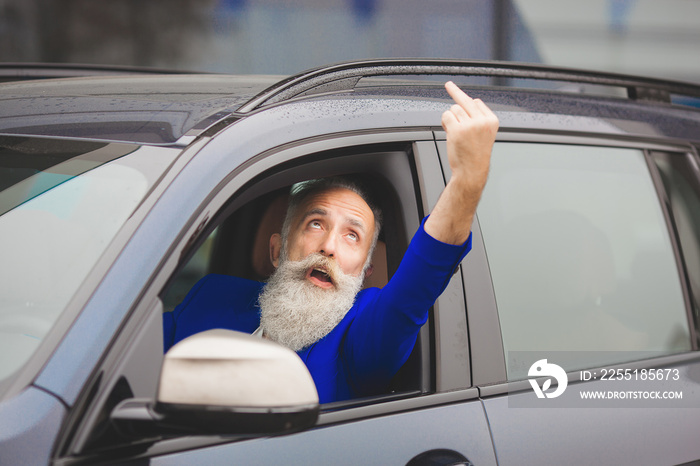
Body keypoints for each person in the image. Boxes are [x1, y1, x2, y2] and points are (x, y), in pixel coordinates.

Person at [162, 82, 499, 403]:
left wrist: (467, 182)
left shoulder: (359, 338)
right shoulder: (210, 298)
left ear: (365, 271)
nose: (329, 247)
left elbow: (417, 286)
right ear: (277, 250)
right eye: (315, 224)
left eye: (352, 235)